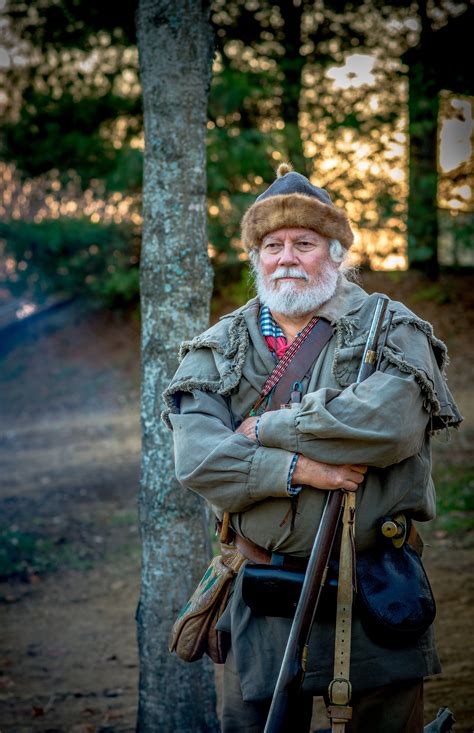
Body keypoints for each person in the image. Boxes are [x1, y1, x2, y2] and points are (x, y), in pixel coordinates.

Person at [162, 163, 462, 733]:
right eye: (272, 245)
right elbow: (199, 458)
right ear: (256, 258)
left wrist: (266, 430)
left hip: (375, 589)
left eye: (304, 243)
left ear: (335, 253)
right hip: (260, 587)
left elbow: (389, 423)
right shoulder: (217, 346)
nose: (286, 257)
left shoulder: (392, 328)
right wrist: (299, 468)